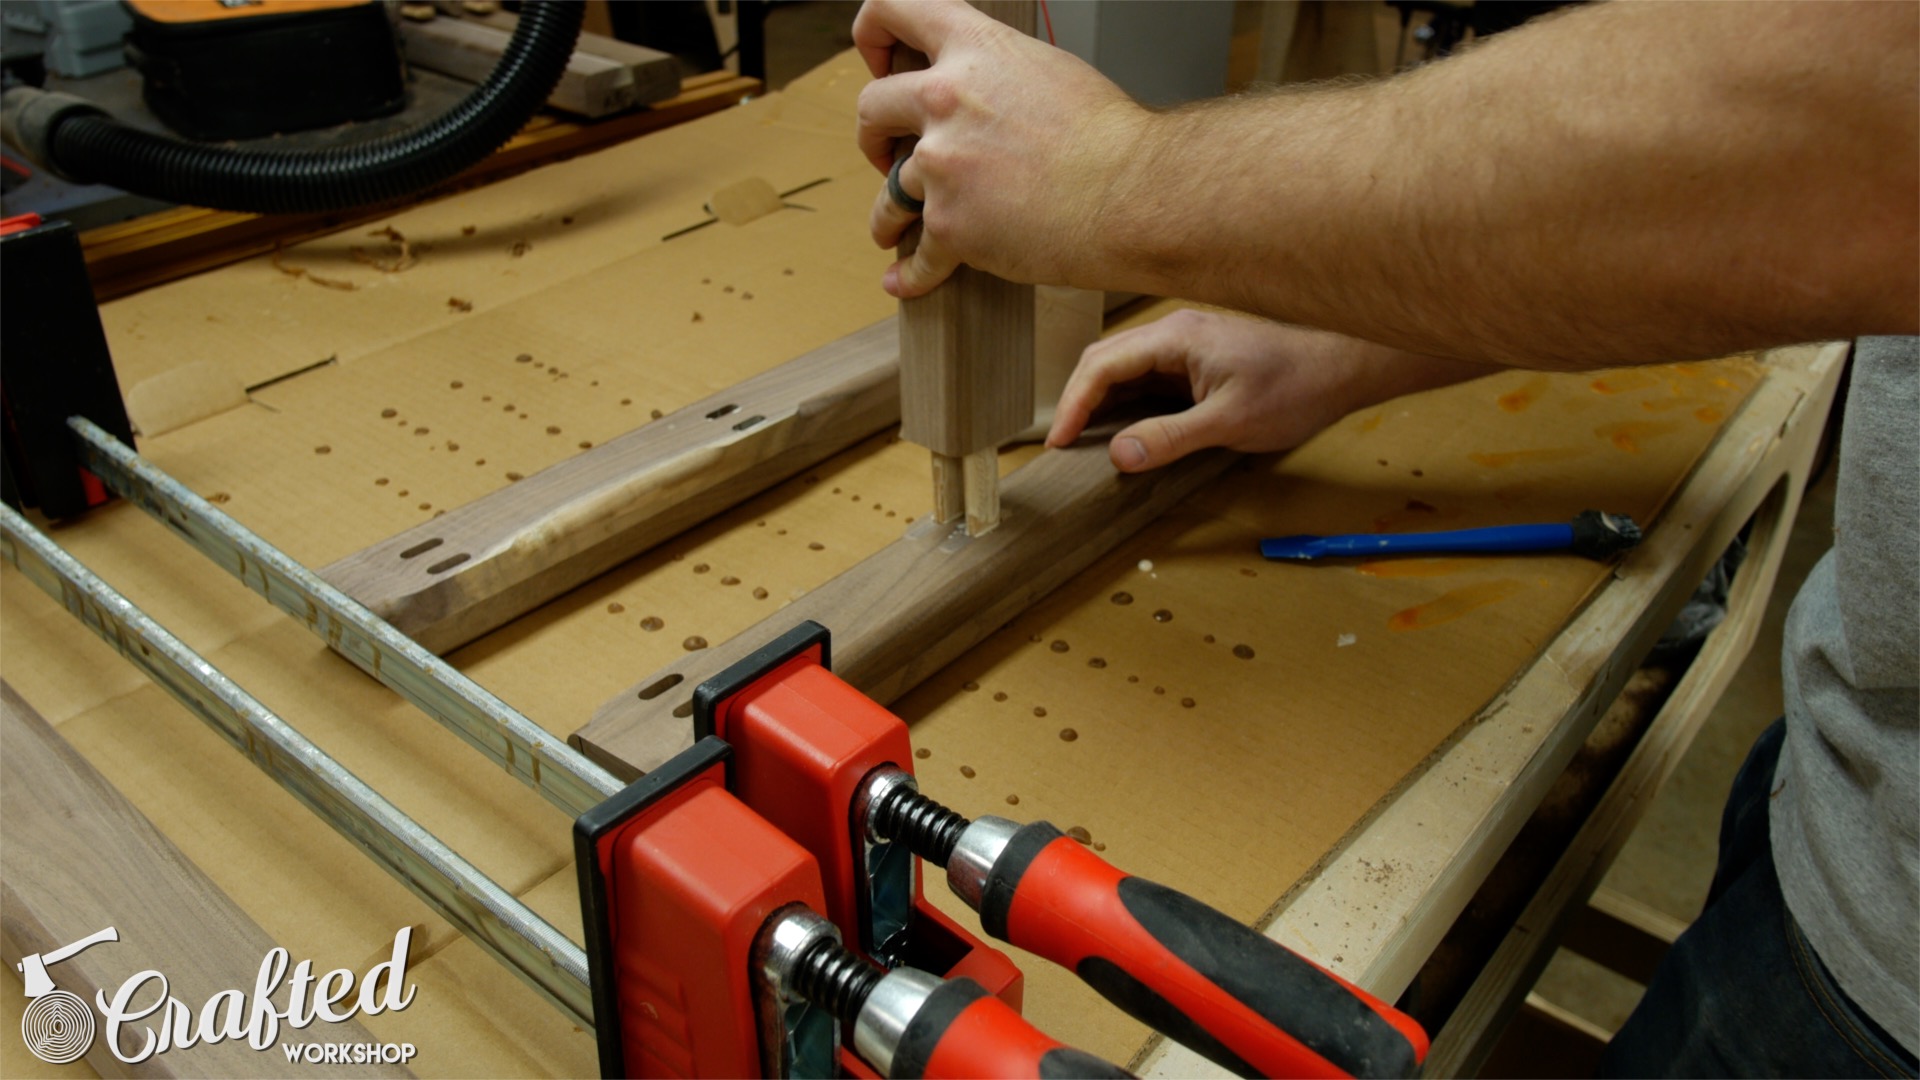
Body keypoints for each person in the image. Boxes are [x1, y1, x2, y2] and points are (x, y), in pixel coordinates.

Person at [850, 1, 1919, 1075]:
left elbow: (1846, 132)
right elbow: (1793, 211)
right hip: (1854, 797)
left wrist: (1108, 172)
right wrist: (1355, 341)